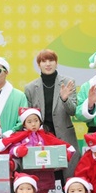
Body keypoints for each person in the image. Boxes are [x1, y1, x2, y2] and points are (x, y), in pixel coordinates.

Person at [2, 107, 75, 193]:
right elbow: (12, 150)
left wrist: (64, 155)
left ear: (40, 121)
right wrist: (18, 150)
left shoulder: (46, 136)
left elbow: (61, 146)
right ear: (24, 123)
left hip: (45, 176)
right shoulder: (20, 137)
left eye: (36, 121)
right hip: (27, 176)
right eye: (29, 121)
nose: (33, 124)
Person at [24, 49, 80, 177]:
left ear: (56, 63)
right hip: (41, 138)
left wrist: (65, 99)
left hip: (64, 136)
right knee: (46, 178)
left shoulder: (68, 82)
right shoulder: (30, 88)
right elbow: (28, 117)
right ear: (39, 65)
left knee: (68, 177)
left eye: (51, 60)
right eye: (44, 61)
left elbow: (72, 111)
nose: (48, 64)